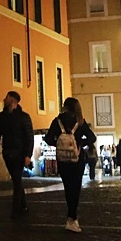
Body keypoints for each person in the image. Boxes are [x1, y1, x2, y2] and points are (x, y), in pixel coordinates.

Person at [44, 97, 96, 232]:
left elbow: (48, 138)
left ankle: (71, 218)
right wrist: (79, 144)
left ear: (65, 106)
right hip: (77, 159)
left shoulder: (57, 121)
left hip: (62, 160)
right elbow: (92, 138)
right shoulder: (80, 122)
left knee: (68, 188)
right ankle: (72, 218)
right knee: (76, 188)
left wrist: (59, 144)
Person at [0, 91, 33, 219]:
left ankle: (16, 210)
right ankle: (23, 206)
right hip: (7, 152)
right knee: (17, 180)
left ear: (12, 100)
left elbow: (29, 137)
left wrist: (28, 155)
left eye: (7, 97)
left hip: (19, 154)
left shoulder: (24, 117)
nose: (4, 99)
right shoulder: (2, 116)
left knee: (16, 180)